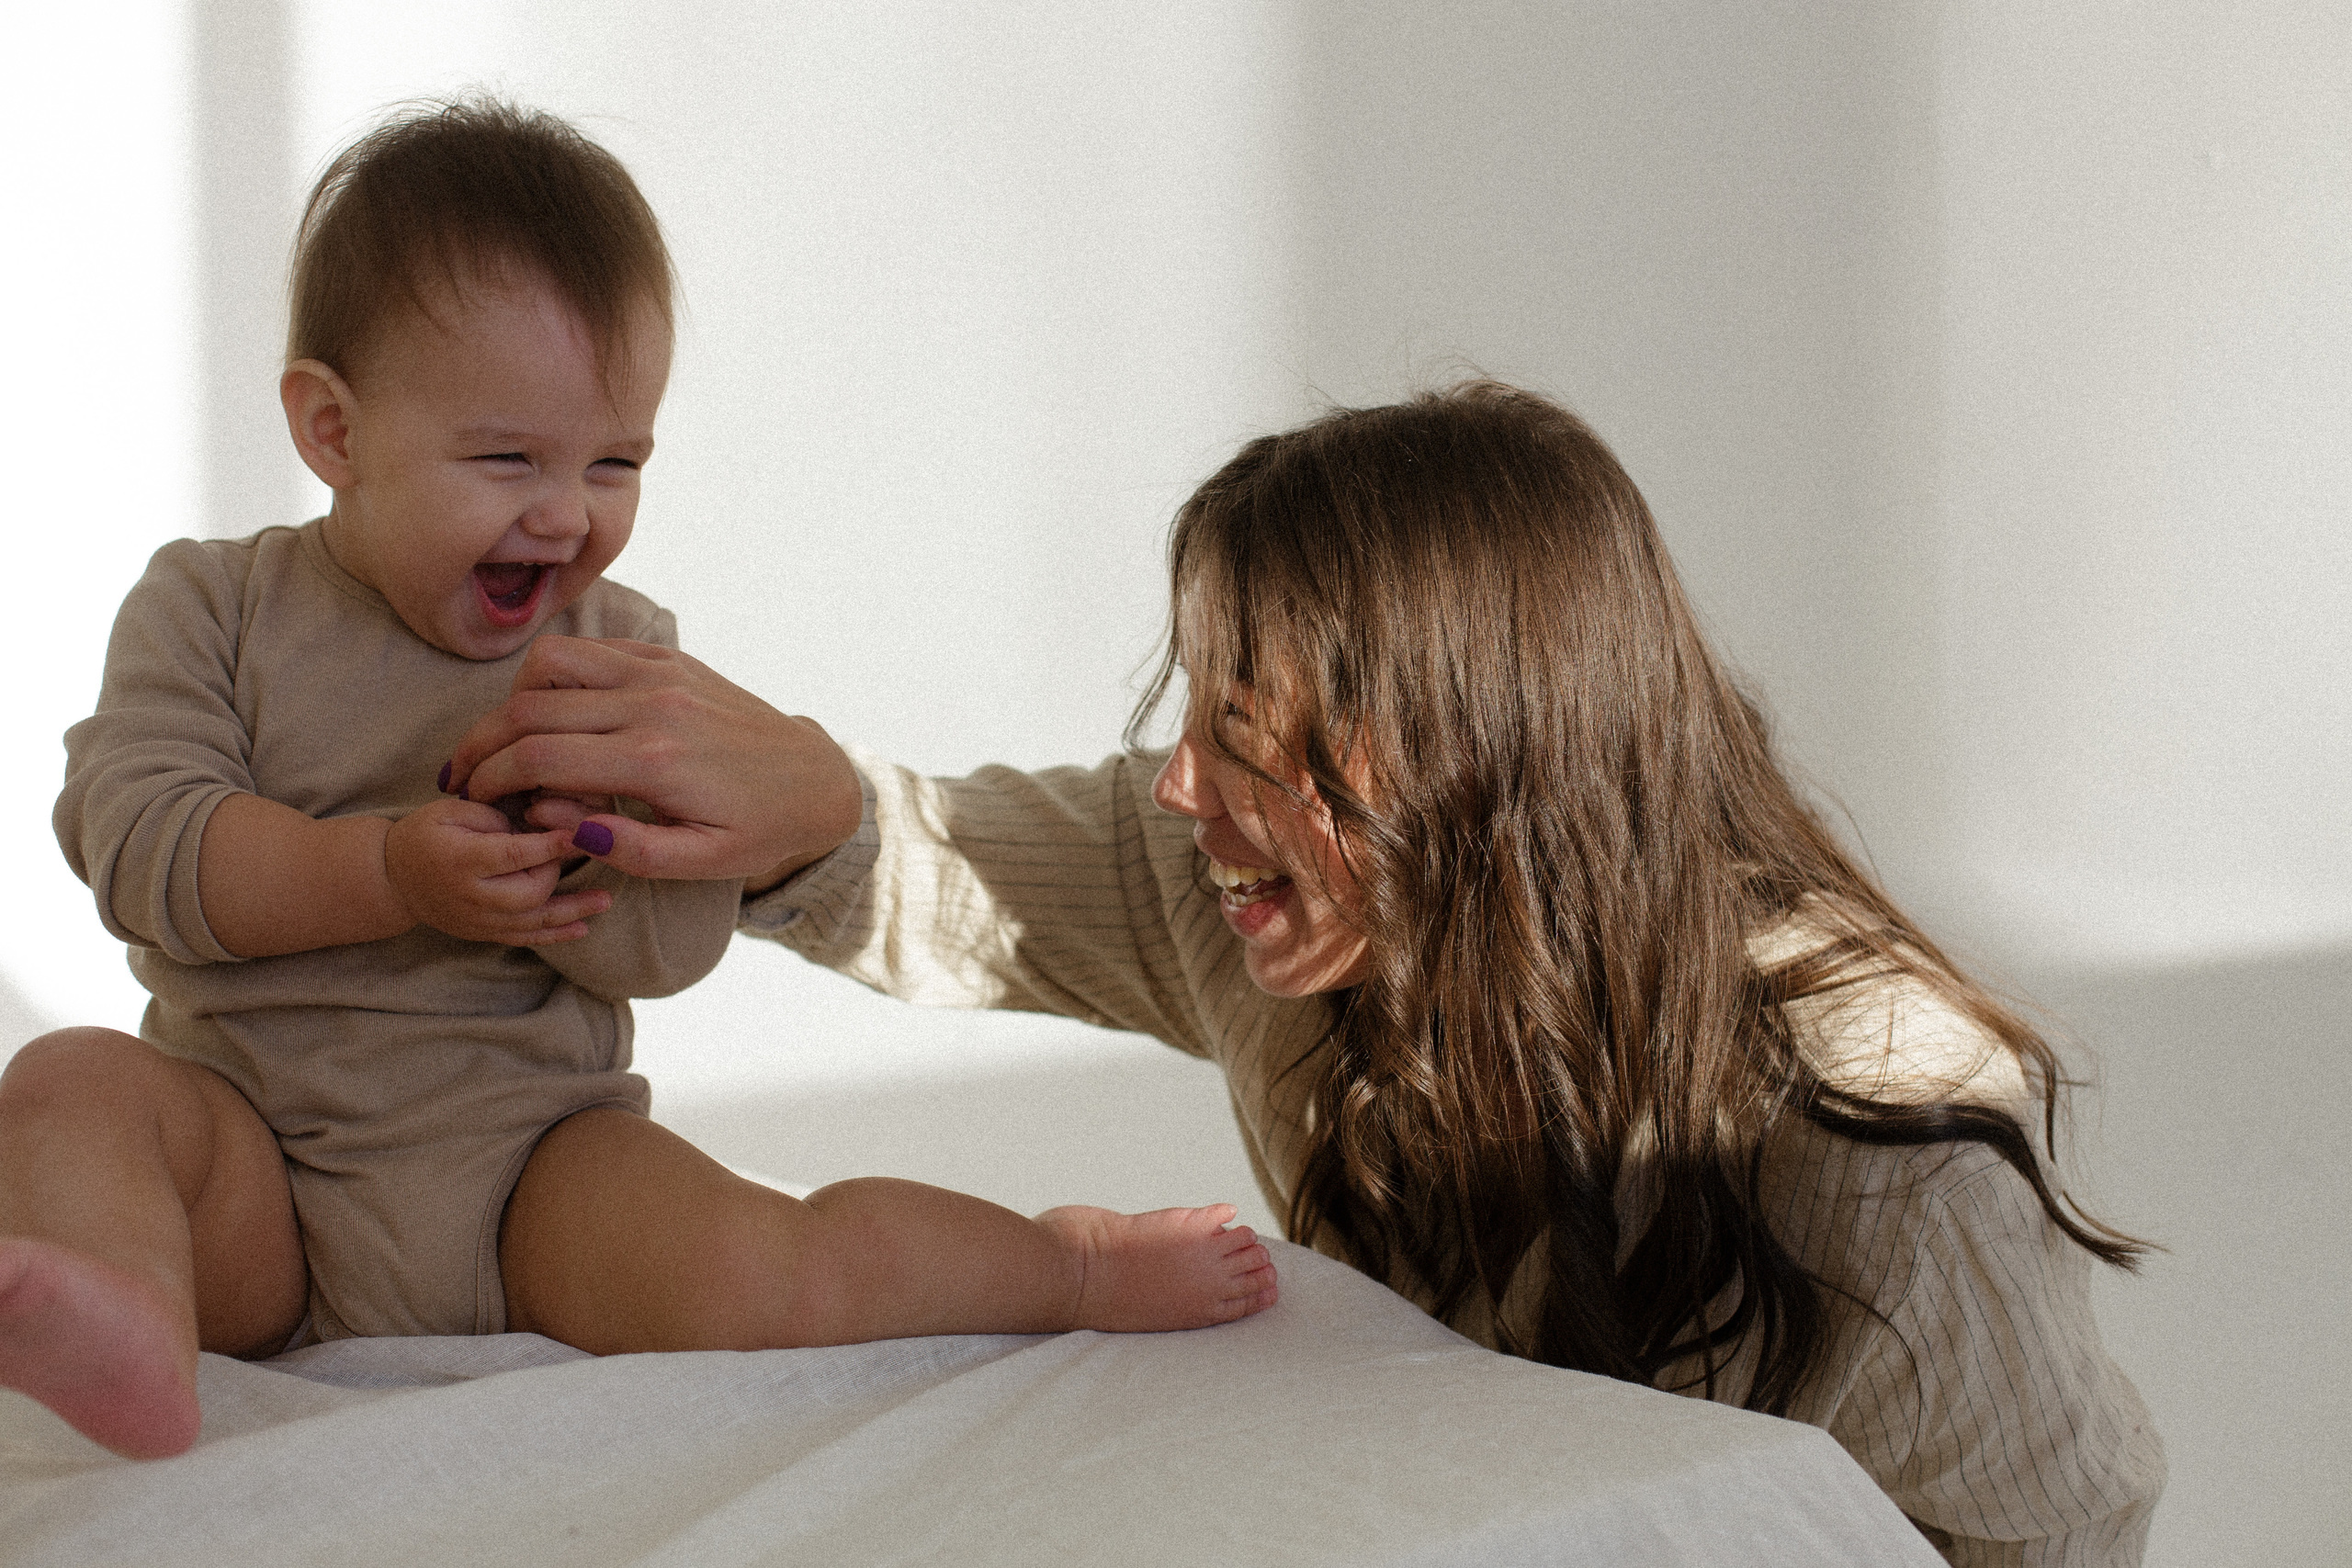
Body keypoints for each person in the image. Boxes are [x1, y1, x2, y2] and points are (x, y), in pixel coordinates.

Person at [447, 381, 2165, 1563]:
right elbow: (944, 867)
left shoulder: (1887, 1138)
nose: (1183, 788)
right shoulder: (1273, 905)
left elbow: (2061, 1533)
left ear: (1474, 750)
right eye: (1191, 713)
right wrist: (785, 802)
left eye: (1252, 728)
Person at [0, 99, 1274, 1464]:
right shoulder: (215, 607)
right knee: (71, 1081)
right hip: (257, 1160)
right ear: (332, 431)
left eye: (615, 462)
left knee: (769, 1267)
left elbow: (669, 956)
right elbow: (141, 846)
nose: (567, 513)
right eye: (507, 458)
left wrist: (597, 862)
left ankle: (1063, 1264)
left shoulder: (619, 663)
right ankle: (129, 1310)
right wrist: (386, 873)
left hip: (531, 1167)